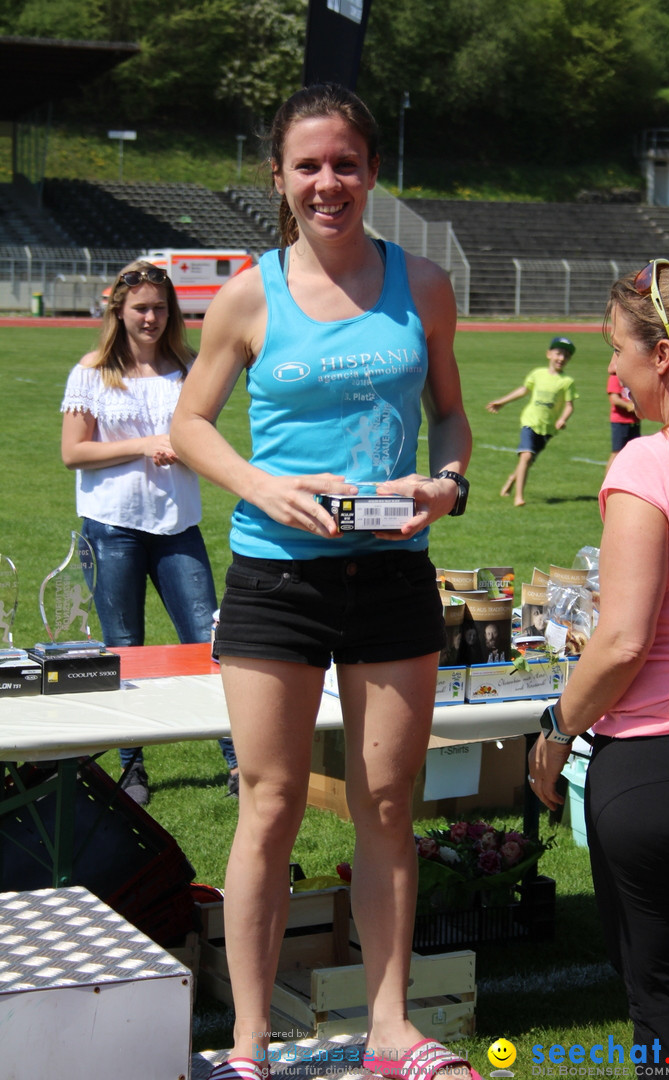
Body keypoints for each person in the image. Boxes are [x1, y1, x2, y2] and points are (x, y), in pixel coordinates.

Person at [170, 84, 476, 1080]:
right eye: (309, 166)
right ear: (280, 178)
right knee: (270, 802)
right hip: (275, 576)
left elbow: (452, 419)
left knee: (390, 804)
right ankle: (251, 1045)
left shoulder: (424, 284)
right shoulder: (251, 293)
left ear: (372, 171)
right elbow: (190, 426)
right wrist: (264, 482)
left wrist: (448, 483)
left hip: (392, 575)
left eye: (345, 163)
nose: (328, 182)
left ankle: (390, 1028)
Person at [528, 259, 669, 1076]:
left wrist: (554, 726)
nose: (612, 367)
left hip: (663, 766)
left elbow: (621, 641)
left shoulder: (648, 464)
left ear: (664, 358)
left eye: (618, 349)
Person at [60, 259, 238, 806]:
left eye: (161, 308)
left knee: (210, 646)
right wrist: (144, 443)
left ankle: (237, 762)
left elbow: (200, 437)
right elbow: (74, 452)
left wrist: (182, 444)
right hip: (111, 529)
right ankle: (132, 771)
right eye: (141, 308)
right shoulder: (91, 371)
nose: (152, 318)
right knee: (124, 651)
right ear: (119, 309)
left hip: (177, 527)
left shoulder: (189, 367)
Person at [486, 335, 578, 506]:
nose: (562, 358)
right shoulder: (537, 374)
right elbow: (523, 390)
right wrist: (502, 402)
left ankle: (510, 481)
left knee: (527, 461)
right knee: (526, 456)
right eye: (558, 353)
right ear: (549, 354)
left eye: (566, 355)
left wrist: (562, 419)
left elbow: (569, 405)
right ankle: (518, 497)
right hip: (530, 422)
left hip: (548, 428)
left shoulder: (567, 382)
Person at [605, 354, 640, 474]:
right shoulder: (615, 377)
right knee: (617, 452)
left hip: (634, 421)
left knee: (633, 453)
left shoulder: (633, 377)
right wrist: (628, 406)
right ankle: (607, 484)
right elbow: (614, 398)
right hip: (620, 421)